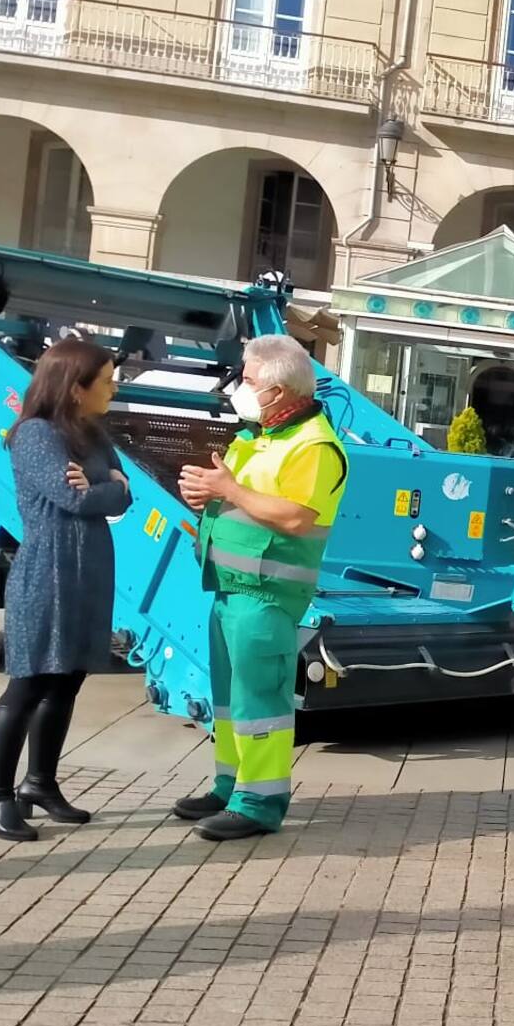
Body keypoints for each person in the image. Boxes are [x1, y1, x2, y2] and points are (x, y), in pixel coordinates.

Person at [174, 335, 347, 841]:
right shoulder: (258, 436)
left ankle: (260, 802)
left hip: (267, 595)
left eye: (248, 380)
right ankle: (230, 786)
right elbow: (245, 500)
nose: (239, 389)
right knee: (230, 699)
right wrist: (208, 493)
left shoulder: (315, 445)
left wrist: (227, 489)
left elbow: (295, 517)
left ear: (278, 389)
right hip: (232, 588)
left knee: (261, 700)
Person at [0, 338, 132, 842]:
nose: (113, 386)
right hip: (48, 572)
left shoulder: (91, 434)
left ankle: (39, 784)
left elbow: (122, 497)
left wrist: (105, 487)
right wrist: (102, 487)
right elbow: (69, 497)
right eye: (105, 380)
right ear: (75, 387)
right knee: (29, 683)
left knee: (67, 681)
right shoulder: (36, 435)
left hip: (88, 572)